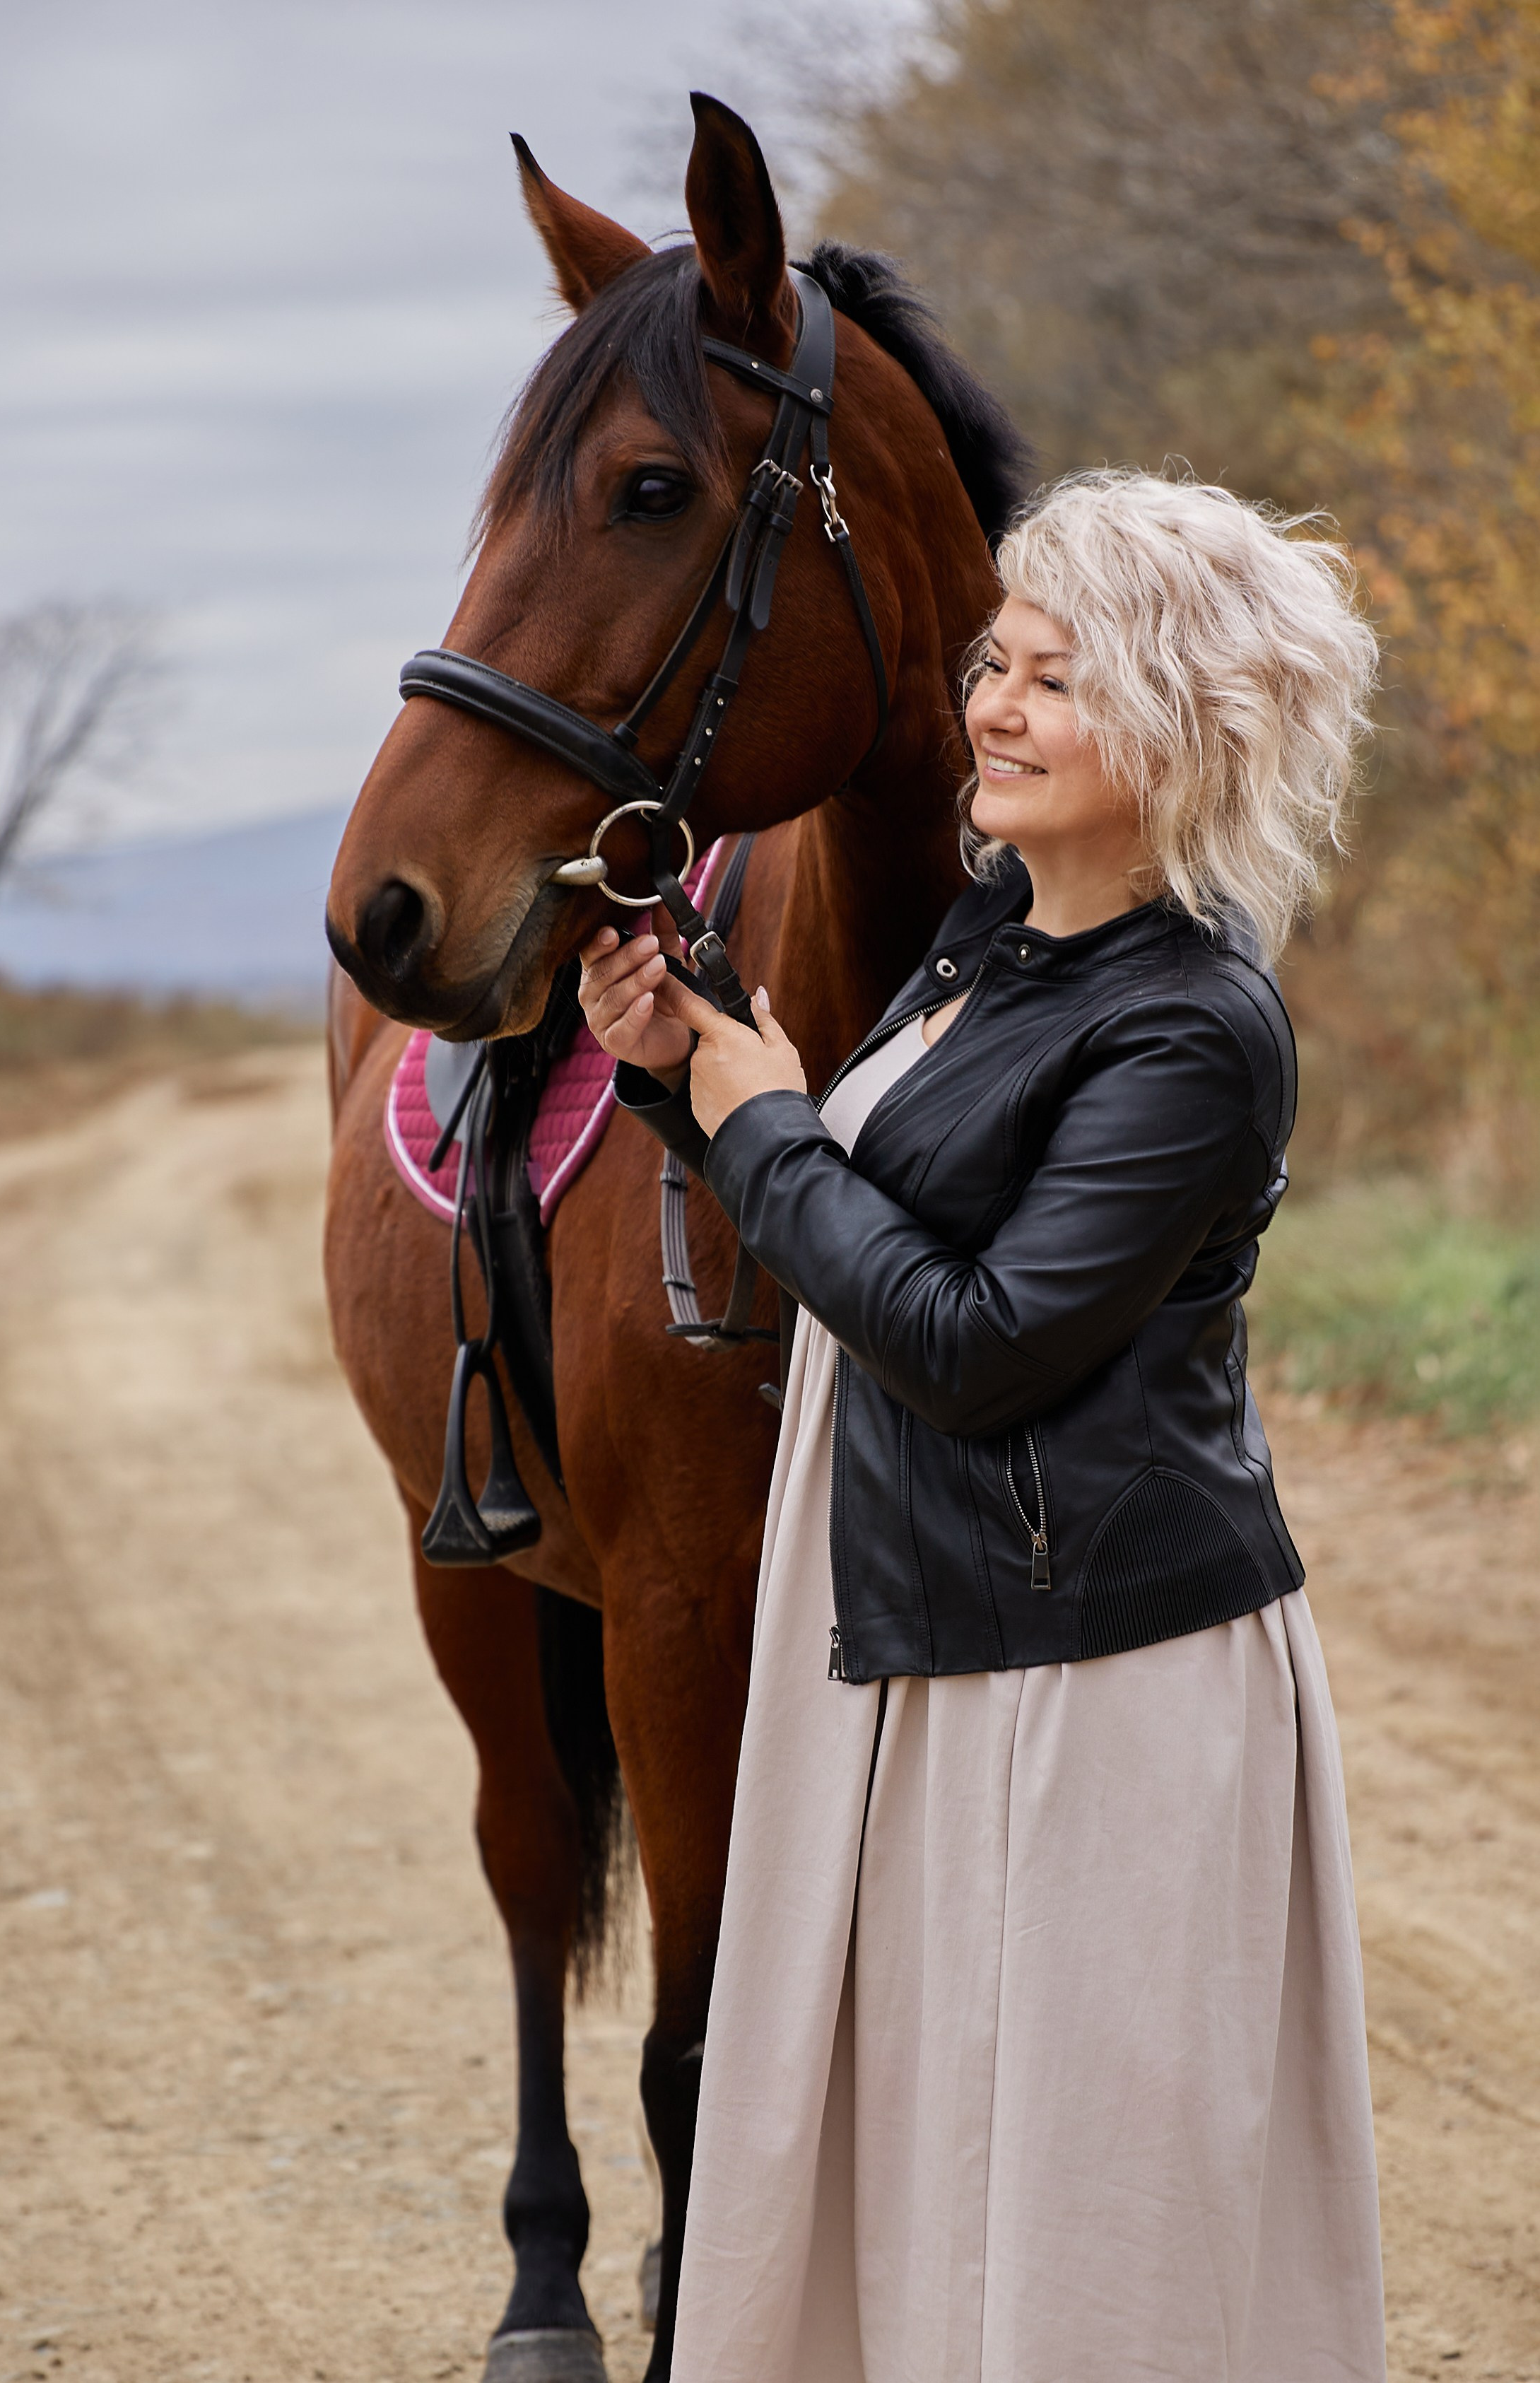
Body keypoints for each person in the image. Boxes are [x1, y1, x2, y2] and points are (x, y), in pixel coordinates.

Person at [578, 468, 1387, 2383]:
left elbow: (978, 1338)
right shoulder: (989, 936)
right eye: (997, 665)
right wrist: (678, 1077)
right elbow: (864, 1216)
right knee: (941, 2159)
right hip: (932, 1632)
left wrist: (762, 1121)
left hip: (1096, 1682)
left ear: (1188, 727)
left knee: (1086, 2203)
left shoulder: (1192, 1024)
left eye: (1059, 681)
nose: (995, 709)